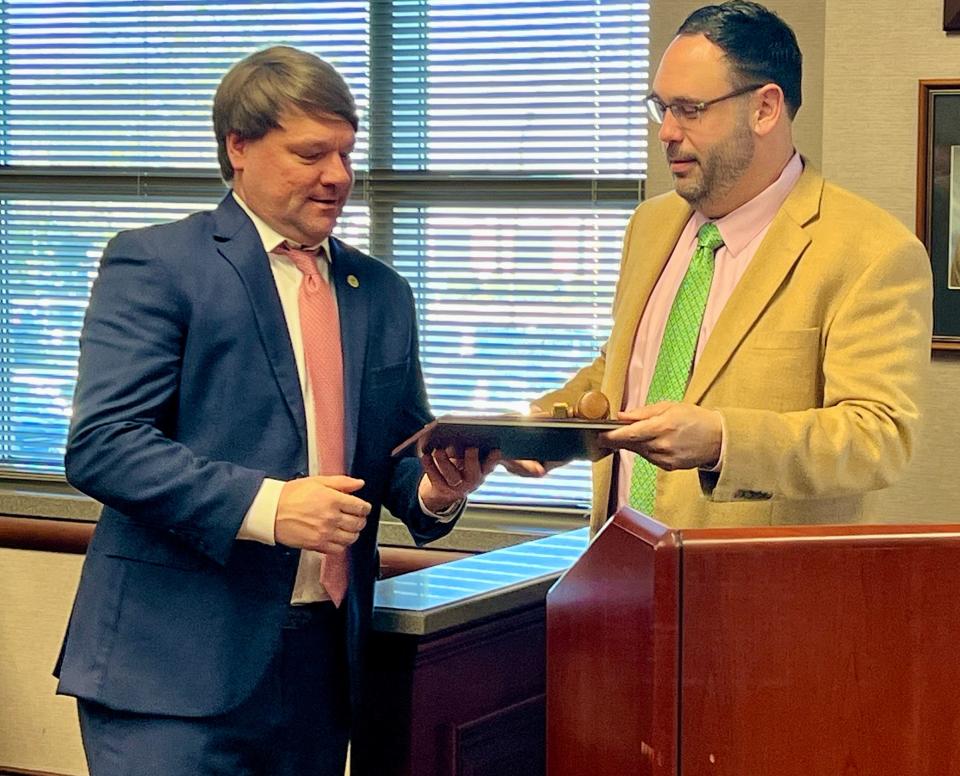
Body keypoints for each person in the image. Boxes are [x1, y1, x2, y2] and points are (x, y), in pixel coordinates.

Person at [54, 45, 497, 775]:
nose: (338, 177)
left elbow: (391, 458)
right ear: (238, 145)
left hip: (321, 669)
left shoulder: (381, 292)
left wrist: (437, 488)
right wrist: (268, 506)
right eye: (311, 153)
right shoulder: (158, 263)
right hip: (169, 670)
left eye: (347, 155)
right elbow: (103, 443)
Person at [507, 1, 932, 533]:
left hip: (754, 595)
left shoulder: (871, 250)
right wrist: (545, 428)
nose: (665, 132)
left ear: (765, 108)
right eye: (660, 108)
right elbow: (625, 368)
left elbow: (878, 439)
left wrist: (721, 440)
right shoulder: (649, 225)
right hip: (617, 576)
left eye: (689, 109)